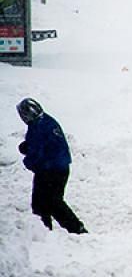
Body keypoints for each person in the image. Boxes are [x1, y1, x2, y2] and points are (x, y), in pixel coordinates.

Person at [16, 98, 87, 234]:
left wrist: (28, 160)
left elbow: (37, 152)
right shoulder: (47, 121)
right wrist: (28, 146)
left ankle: (47, 232)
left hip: (49, 170)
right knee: (52, 202)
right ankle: (69, 230)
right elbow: (46, 144)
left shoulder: (37, 126)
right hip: (61, 168)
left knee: (45, 203)